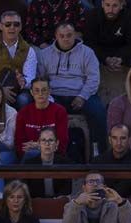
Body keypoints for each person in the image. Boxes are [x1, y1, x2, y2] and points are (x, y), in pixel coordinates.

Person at [38, 22, 107, 159]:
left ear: (75, 35)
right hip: (55, 95)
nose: (65, 39)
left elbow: (93, 79)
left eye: (69, 35)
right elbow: (40, 79)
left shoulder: (87, 53)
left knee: (98, 111)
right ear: (56, 36)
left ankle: (98, 155)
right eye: (61, 36)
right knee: (39, 109)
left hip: (80, 93)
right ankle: (46, 155)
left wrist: (82, 96)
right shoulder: (44, 54)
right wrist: (48, 97)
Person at [0, 9, 37, 107]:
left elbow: (31, 77)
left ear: (21, 27)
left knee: (23, 100)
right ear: (1, 26)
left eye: (16, 24)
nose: (12, 28)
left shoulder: (29, 50)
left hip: (19, 90)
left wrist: (24, 81)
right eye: (8, 24)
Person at [61, 171, 131, 223]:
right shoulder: (71, 205)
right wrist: (77, 204)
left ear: (104, 186)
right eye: (91, 182)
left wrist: (121, 202)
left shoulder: (114, 205)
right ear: (84, 187)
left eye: (98, 181)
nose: (95, 184)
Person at [14, 77, 70, 158]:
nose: (40, 93)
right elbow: (19, 143)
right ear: (31, 92)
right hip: (29, 156)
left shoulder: (59, 111)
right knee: (31, 154)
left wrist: (39, 146)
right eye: (36, 90)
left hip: (54, 156)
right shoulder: (23, 112)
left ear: (49, 91)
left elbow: (62, 142)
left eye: (44, 90)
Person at [92, 124, 131, 197]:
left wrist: (123, 202)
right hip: (105, 204)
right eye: (114, 138)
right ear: (110, 140)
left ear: (129, 140)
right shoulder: (98, 161)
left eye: (123, 138)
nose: (118, 143)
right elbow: (92, 189)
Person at [86, 0, 131, 73]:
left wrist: (120, 58)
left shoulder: (129, 16)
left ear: (121, 5)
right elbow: (89, 43)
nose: (110, 10)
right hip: (100, 51)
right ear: (102, 4)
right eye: (107, 5)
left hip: (122, 50)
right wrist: (105, 58)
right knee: (87, 59)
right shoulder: (93, 15)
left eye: (115, 6)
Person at [24, 127, 76, 198]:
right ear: (38, 143)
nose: (47, 144)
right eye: (43, 140)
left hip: (59, 203)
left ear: (56, 143)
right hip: (36, 203)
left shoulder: (65, 163)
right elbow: (26, 190)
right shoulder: (29, 164)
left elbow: (67, 188)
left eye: (50, 140)